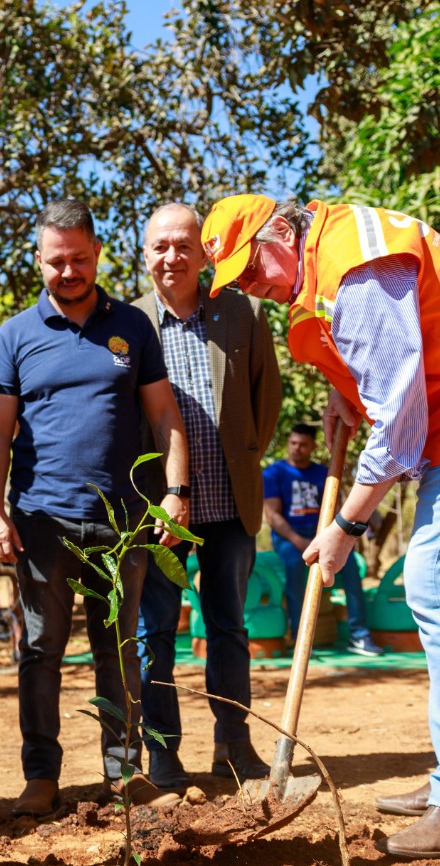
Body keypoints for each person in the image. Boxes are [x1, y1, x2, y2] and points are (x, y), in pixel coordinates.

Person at [200, 194, 440, 859]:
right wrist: (344, 388)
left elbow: (398, 424)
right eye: (240, 284)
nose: (252, 290)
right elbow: (381, 359)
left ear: (281, 232)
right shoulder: (322, 262)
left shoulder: (353, 269)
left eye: (252, 272)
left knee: (437, 582)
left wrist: (344, 525)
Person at [0, 199, 191, 817]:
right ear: (38, 262)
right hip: (41, 523)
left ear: (97, 253)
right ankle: (40, 777)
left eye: (79, 258)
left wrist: (175, 494)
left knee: (118, 647)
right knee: (40, 650)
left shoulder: (133, 327)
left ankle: (124, 772)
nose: (68, 271)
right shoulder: (15, 336)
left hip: (122, 522)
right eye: (56, 261)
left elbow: (164, 416)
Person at [129, 203, 284, 789]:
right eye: (159, 247)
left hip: (231, 507)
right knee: (156, 631)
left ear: (204, 253)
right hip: (160, 511)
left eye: (182, 246)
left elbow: (264, 399)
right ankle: (163, 755)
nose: (171, 258)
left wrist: (241, 456)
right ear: (145, 254)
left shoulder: (240, 313)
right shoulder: (128, 324)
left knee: (229, 629)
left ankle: (234, 746)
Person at [262, 423, 386, 657]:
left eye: (303, 445)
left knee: (350, 567)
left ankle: (359, 635)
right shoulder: (273, 473)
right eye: (293, 443)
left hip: (322, 532)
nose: (297, 448)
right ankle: (301, 639)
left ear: (313, 447)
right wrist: (299, 542)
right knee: (295, 567)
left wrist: (327, 539)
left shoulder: (323, 473)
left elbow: (335, 510)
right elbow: (273, 516)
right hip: (290, 536)